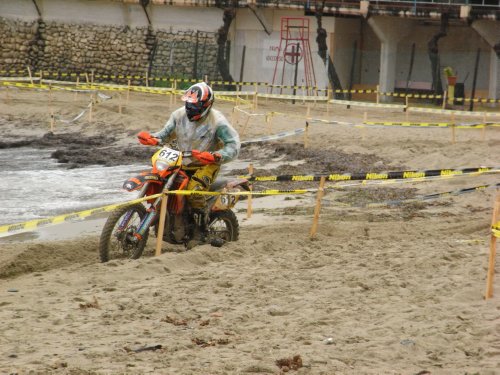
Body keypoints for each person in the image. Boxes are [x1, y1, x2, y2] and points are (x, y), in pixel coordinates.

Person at [136, 82, 241, 241]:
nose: (190, 109)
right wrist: (152, 138)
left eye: (195, 106)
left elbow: (234, 145)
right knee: (160, 179)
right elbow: (165, 134)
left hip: (206, 162)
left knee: (193, 191)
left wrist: (216, 156)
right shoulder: (178, 115)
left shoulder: (218, 122)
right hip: (181, 159)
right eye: (188, 104)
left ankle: (201, 231)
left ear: (207, 104)